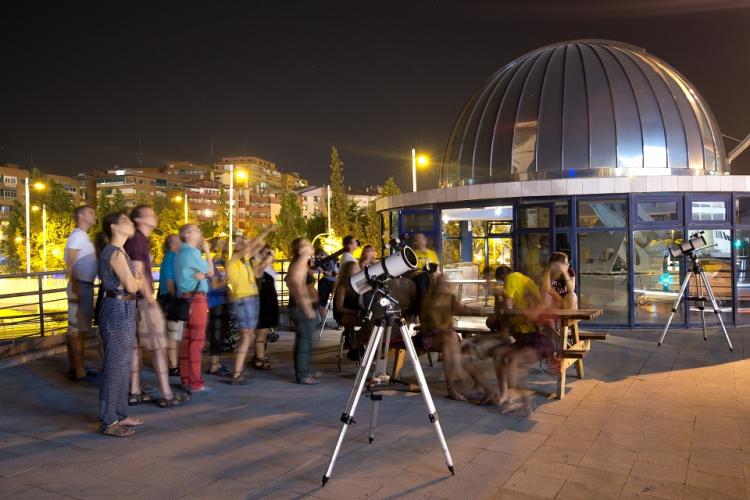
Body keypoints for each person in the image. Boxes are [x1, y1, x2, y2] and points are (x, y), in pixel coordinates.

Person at [124, 206, 188, 407]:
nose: (155, 216)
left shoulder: (136, 239)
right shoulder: (138, 239)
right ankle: (167, 394)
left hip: (131, 301)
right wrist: (151, 301)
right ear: (139, 220)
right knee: (158, 348)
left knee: (135, 348)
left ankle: (134, 392)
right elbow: (137, 270)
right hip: (143, 301)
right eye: (151, 214)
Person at [95, 212, 143, 437]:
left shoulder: (120, 251)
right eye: (125, 220)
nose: (130, 223)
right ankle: (108, 421)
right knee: (115, 366)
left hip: (124, 308)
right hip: (116, 310)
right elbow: (132, 286)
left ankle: (121, 413)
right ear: (114, 227)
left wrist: (136, 281)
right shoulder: (114, 252)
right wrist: (139, 280)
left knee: (123, 363)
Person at [419, 274, 497, 402]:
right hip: (432, 337)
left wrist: (474, 309)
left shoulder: (450, 298)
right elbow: (434, 325)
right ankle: (453, 385)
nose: (446, 285)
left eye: (447, 283)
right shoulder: (429, 300)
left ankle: (486, 389)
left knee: (461, 349)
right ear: (436, 285)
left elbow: (463, 310)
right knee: (451, 339)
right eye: (443, 283)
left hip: (449, 338)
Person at [493, 265, 556, 413]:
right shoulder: (526, 281)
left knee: (513, 362)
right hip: (528, 336)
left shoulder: (512, 280)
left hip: (536, 339)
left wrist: (500, 297)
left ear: (503, 278)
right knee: (500, 356)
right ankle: (505, 394)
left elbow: (507, 308)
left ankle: (522, 401)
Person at [226, 228, 273, 384]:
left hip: (250, 300)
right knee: (246, 337)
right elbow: (252, 245)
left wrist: (257, 242)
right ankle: (236, 374)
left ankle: (238, 370)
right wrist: (267, 231)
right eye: (240, 242)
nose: (244, 244)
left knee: (246, 337)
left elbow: (259, 245)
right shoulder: (233, 260)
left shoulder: (244, 260)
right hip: (243, 300)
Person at [174, 224, 213, 394]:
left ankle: (186, 378)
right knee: (196, 341)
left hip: (186, 297)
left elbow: (203, 274)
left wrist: (203, 274)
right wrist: (207, 252)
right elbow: (211, 271)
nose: (200, 232)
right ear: (188, 235)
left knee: (187, 340)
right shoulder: (192, 252)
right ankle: (196, 382)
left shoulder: (179, 253)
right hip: (196, 299)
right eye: (197, 230)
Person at [64, 205, 98, 381]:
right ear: (81, 215)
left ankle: (75, 367)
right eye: (91, 212)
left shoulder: (81, 236)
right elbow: (70, 263)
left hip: (83, 285)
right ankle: (79, 371)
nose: (94, 214)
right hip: (81, 286)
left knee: (77, 329)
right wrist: (76, 286)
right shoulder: (78, 235)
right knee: (78, 330)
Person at [286, 237, 321, 385]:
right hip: (301, 309)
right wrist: (307, 308)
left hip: (303, 308)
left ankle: (304, 371)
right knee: (304, 343)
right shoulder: (299, 265)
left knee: (304, 341)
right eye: (306, 244)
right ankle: (302, 375)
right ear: (301, 251)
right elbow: (297, 288)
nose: (310, 245)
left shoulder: (302, 265)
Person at [157, 234, 183, 376]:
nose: (181, 245)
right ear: (172, 245)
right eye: (179, 242)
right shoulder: (171, 259)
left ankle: (174, 363)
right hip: (171, 299)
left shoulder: (170, 258)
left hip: (168, 297)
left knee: (175, 333)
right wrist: (176, 297)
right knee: (173, 334)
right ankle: (173, 365)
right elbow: (169, 282)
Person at [206, 239, 231, 376]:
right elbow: (215, 285)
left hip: (222, 301)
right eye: (220, 246)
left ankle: (217, 363)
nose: (223, 249)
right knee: (216, 334)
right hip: (215, 303)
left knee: (221, 334)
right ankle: (214, 365)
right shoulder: (210, 265)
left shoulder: (219, 264)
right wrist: (227, 278)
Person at [254, 245, 278, 369]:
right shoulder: (259, 268)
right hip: (264, 304)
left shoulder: (267, 267)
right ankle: (259, 359)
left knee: (264, 334)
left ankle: (261, 354)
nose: (272, 256)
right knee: (261, 335)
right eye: (269, 254)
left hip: (269, 302)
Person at [314, 248, 338, 325]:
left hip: (334, 281)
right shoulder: (320, 260)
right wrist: (322, 270)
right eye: (317, 258)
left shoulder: (333, 259)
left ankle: (339, 322)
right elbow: (315, 267)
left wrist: (325, 272)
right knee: (322, 303)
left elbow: (336, 272)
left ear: (323, 254)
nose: (319, 259)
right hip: (324, 281)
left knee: (337, 302)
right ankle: (323, 321)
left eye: (320, 257)